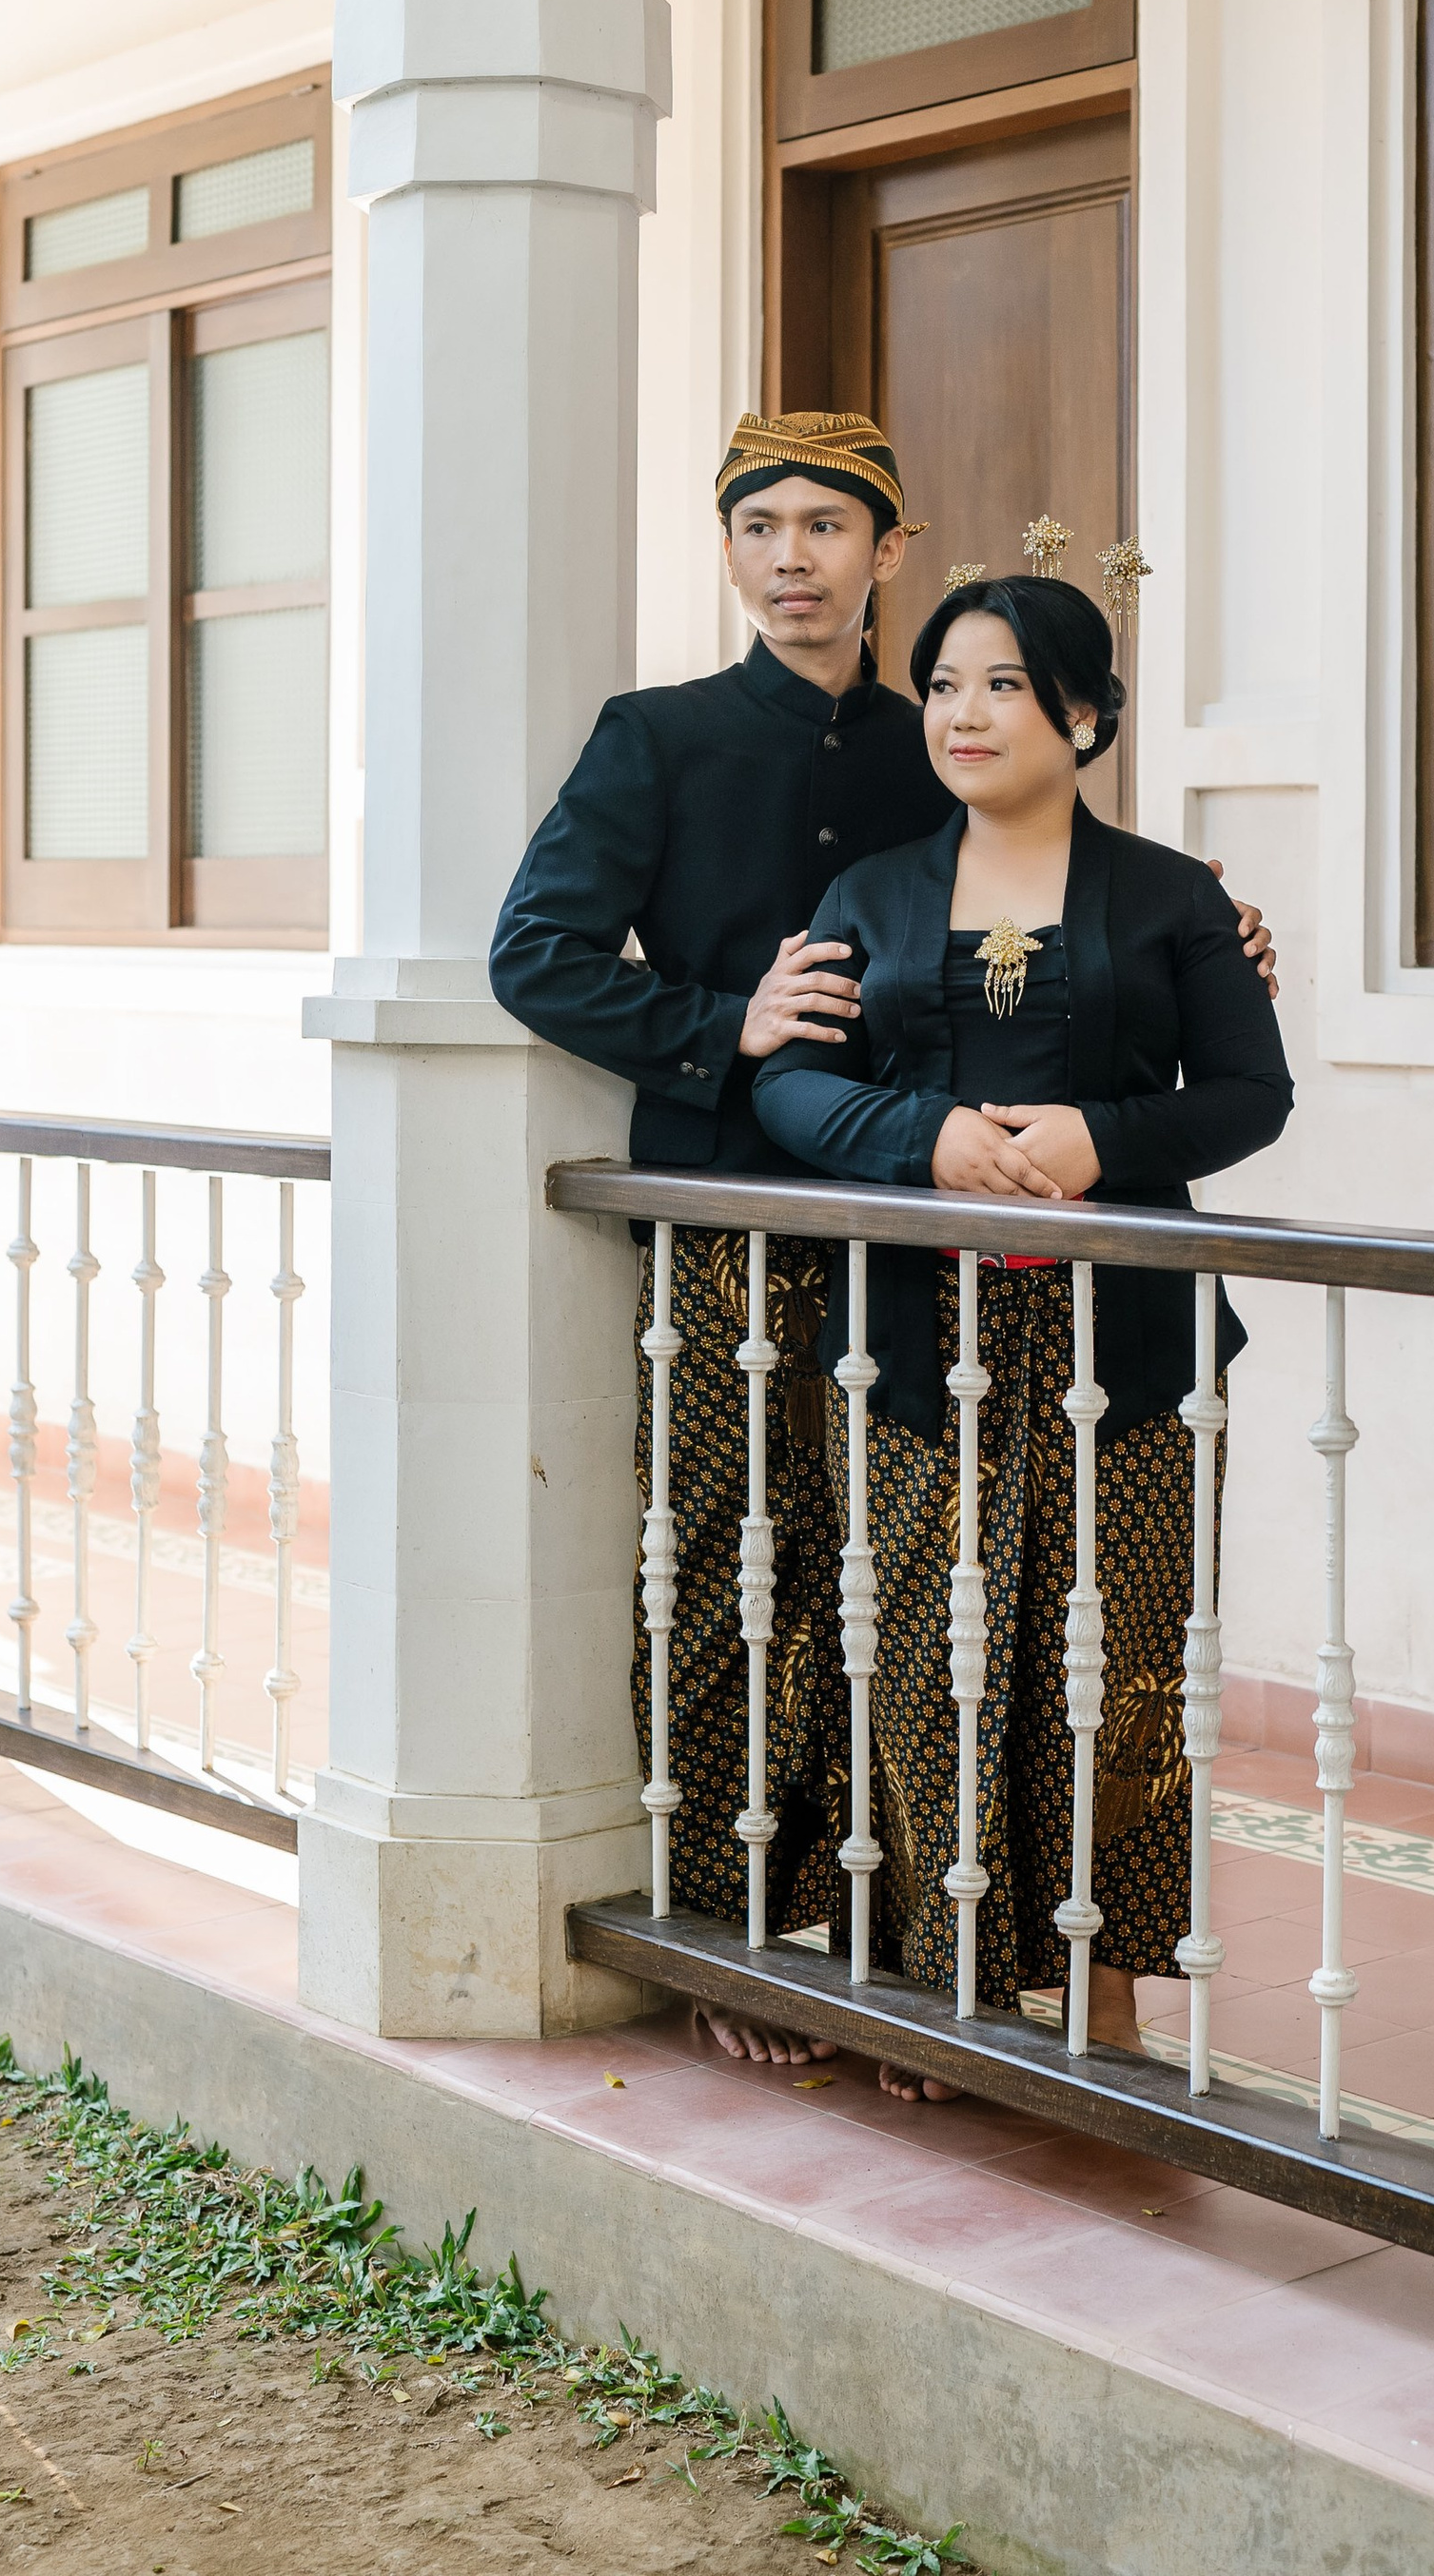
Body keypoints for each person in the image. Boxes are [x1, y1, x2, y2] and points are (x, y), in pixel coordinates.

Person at [487, 413, 1276, 2065]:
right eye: (759, 526)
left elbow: (1123, 991)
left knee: (933, 1611)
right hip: (743, 1228)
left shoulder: (941, 739)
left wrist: (1165, 942)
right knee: (736, 1583)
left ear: (886, 550)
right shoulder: (666, 735)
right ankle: (731, 1936)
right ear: (726, 551)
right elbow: (538, 956)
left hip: (945, 1259)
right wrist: (729, 1023)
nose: (792, 557)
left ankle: (911, 1946)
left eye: (826, 527)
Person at [753, 573, 1293, 2097]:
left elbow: (1250, 1095)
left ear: (1084, 714)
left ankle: (1105, 1994)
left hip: (1131, 1348)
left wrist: (1098, 1139)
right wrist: (916, 1140)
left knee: (1113, 1669)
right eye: (940, 685)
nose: (962, 714)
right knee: (931, 1656)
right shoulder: (869, 896)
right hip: (917, 1346)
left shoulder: (1175, 897)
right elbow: (792, 1087)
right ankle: (950, 1985)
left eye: (999, 684)